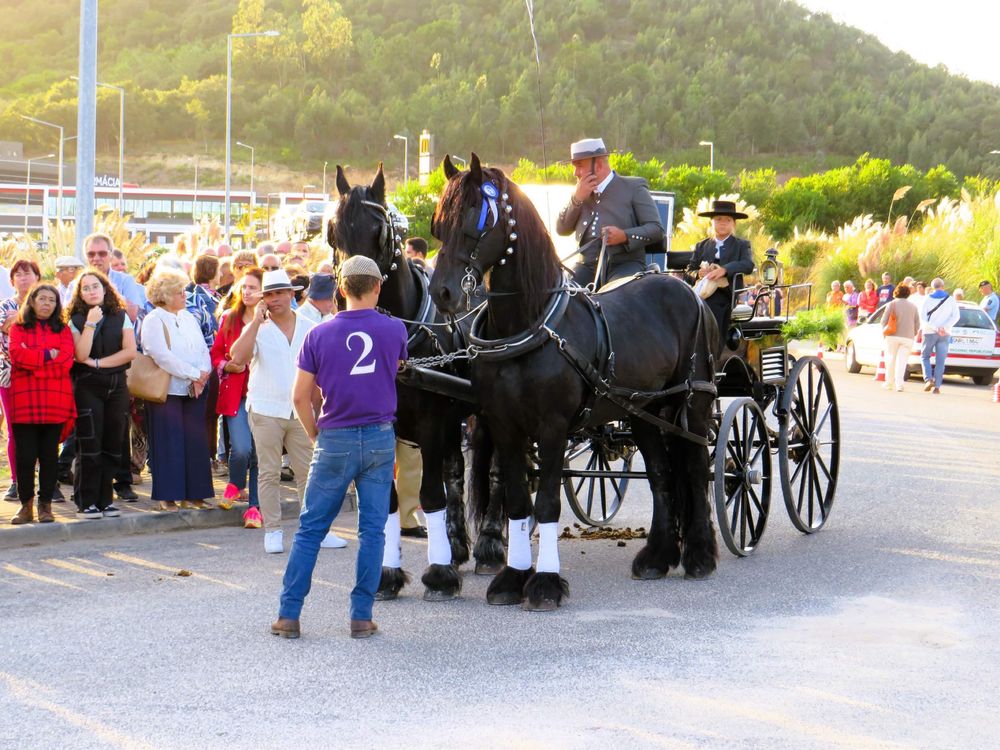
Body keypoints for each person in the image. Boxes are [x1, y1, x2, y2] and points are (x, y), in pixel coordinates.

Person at [272, 255, 407, 640]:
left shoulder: (317, 334)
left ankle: (289, 614)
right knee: (372, 531)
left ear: (341, 289)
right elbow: (394, 369)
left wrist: (316, 436)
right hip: (380, 436)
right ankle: (361, 616)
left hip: (335, 436)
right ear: (378, 287)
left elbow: (300, 397)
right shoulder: (395, 329)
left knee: (310, 528)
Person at [229, 269, 345, 553]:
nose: (274, 298)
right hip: (265, 409)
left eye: (280, 292)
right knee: (268, 472)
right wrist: (255, 322)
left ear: (292, 294)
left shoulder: (310, 326)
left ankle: (316, 530)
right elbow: (237, 358)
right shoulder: (257, 327)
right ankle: (273, 530)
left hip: (300, 411)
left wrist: (319, 407)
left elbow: (322, 372)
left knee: (309, 473)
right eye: (269, 294)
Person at [66, 270, 137, 519]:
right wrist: (90, 323)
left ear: (105, 288)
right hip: (87, 387)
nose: (91, 291)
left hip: (117, 385)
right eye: (85, 288)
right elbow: (81, 355)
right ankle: (86, 502)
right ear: (80, 293)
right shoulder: (75, 319)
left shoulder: (121, 315)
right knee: (89, 444)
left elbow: (130, 352)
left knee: (112, 444)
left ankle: (105, 499)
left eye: (95, 286)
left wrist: (99, 364)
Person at [141, 269, 214, 511]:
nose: (184, 295)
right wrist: (194, 374)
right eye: (178, 291)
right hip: (168, 389)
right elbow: (161, 356)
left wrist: (203, 373)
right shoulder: (154, 319)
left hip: (195, 388)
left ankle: (196, 494)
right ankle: (168, 495)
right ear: (164, 294)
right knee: (169, 442)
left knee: (196, 441)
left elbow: (204, 348)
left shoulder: (188, 317)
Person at [556, 137, 664, 289]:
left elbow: (657, 230)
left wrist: (624, 235)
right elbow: (561, 229)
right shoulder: (579, 193)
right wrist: (577, 199)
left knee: (618, 295)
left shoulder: (634, 187)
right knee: (563, 293)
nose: (575, 173)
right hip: (585, 268)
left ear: (598, 165)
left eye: (579, 166)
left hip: (624, 265)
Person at [7, 284, 75, 524]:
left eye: (52, 300)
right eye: (42, 298)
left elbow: (66, 361)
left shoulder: (64, 330)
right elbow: (17, 355)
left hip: (54, 399)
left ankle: (45, 506)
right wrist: (48, 355)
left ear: (57, 305)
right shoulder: (18, 328)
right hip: (24, 400)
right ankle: (26, 506)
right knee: (25, 457)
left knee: (49, 456)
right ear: (32, 301)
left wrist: (33, 361)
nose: (47, 303)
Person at [210, 268, 263, 528]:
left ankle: (254, 508)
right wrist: (226, 366)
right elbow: (216, 353)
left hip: (264, 395)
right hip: (237, 396)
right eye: (245, 287)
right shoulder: (230, 318)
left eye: (253, 287)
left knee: (259, 455)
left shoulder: (272, 320)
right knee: (241, 449)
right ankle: (234, 483)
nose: (247, 291)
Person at [685, 199, 755, 347]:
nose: (722, 223)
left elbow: (748, 265)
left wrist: (725, 270)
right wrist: (699, 273)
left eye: (728, 220)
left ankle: (710, 352)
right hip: (701, 293)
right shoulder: (702, 246)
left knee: (713, 307)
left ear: (734, 224)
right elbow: (689, 270)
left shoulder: (741, 245)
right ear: (712, 222)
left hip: (726, 294)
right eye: (718, 219)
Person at [1, 259, 43, 502]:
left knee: (42, 429)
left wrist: (16, 323)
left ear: (37, 277)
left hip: (40, 375)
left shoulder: (47, 304)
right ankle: (17, 480)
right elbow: (4, 332)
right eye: (18, 274)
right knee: (15, 430)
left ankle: (44, 479)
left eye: (28, 273)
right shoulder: (4, 305)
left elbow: (50, 336)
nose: (23, 278)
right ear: (12, 281)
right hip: (9, 374)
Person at [919, 278, 961, 394]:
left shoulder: (926, 299)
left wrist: (936, 328)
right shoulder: (951, 300)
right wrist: (944, 327)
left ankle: (928, 379)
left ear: (932, 287)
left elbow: (923, 318)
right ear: (943, 286)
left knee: (925, 356)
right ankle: (937, 387)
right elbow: (956, 317)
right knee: (940, 361)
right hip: (945, 334)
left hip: (929, 332)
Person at [881, 284, 920, 392]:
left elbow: (883, 321)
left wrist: (885, 332)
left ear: (896, 292)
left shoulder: (891, 304)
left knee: (890, 359)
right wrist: (913, 333)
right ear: (908, 294)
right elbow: (917, 324)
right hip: (908, 337)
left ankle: (889, 383)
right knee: (902, 361)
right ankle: (899, 384)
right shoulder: (913, 306)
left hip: (892, 336)